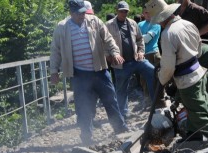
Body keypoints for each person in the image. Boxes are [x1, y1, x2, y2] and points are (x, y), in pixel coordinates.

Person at [145, 0, 208, 147]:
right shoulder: (187, 24)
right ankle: (195, 136)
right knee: (203, 108)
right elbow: (198, 49)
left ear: (160, 18)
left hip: (187, 81)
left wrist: (161, 79)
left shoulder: (168, 34)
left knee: (199, 115)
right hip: (199, 72)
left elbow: (168, 67)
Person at [50, 0, 128, 144]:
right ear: (71, 13)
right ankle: (86, 138)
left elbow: (109, 39)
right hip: (79, 75)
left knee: (111, 100)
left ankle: (121, 130)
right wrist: (54, 71)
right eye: (79, 13)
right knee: (83, 107)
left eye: (84, 12)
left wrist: (115, 52)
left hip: (99, 71)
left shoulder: (94, 21)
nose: (83, 15)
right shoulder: (62, 27)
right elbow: (55, 51)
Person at [105, 1, 155, 119]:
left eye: (126, 11)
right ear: (116, 10)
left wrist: (141, 51)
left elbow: (140, 39)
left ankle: (155, 103)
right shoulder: (108, 25)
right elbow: (103, 42)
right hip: (120, 64)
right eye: (121, 11)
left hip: (136, 60)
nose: (124, 13)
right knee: (121, 89)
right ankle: (123, 114)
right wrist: (108, 56)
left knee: (152, 71)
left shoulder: (132, 23)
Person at [138, 7, 166, 108]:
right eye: (146, 12)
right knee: (144, 79)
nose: (148, 14)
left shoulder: (156, 24)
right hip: (143, 54)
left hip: (154, 54)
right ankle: (148, 101)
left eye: (150, 12)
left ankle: (160, 101)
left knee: (158, 78)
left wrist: (138, 38)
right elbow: (137, 37)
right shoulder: (139, 24)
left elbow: (146, 39)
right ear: (143, 13)